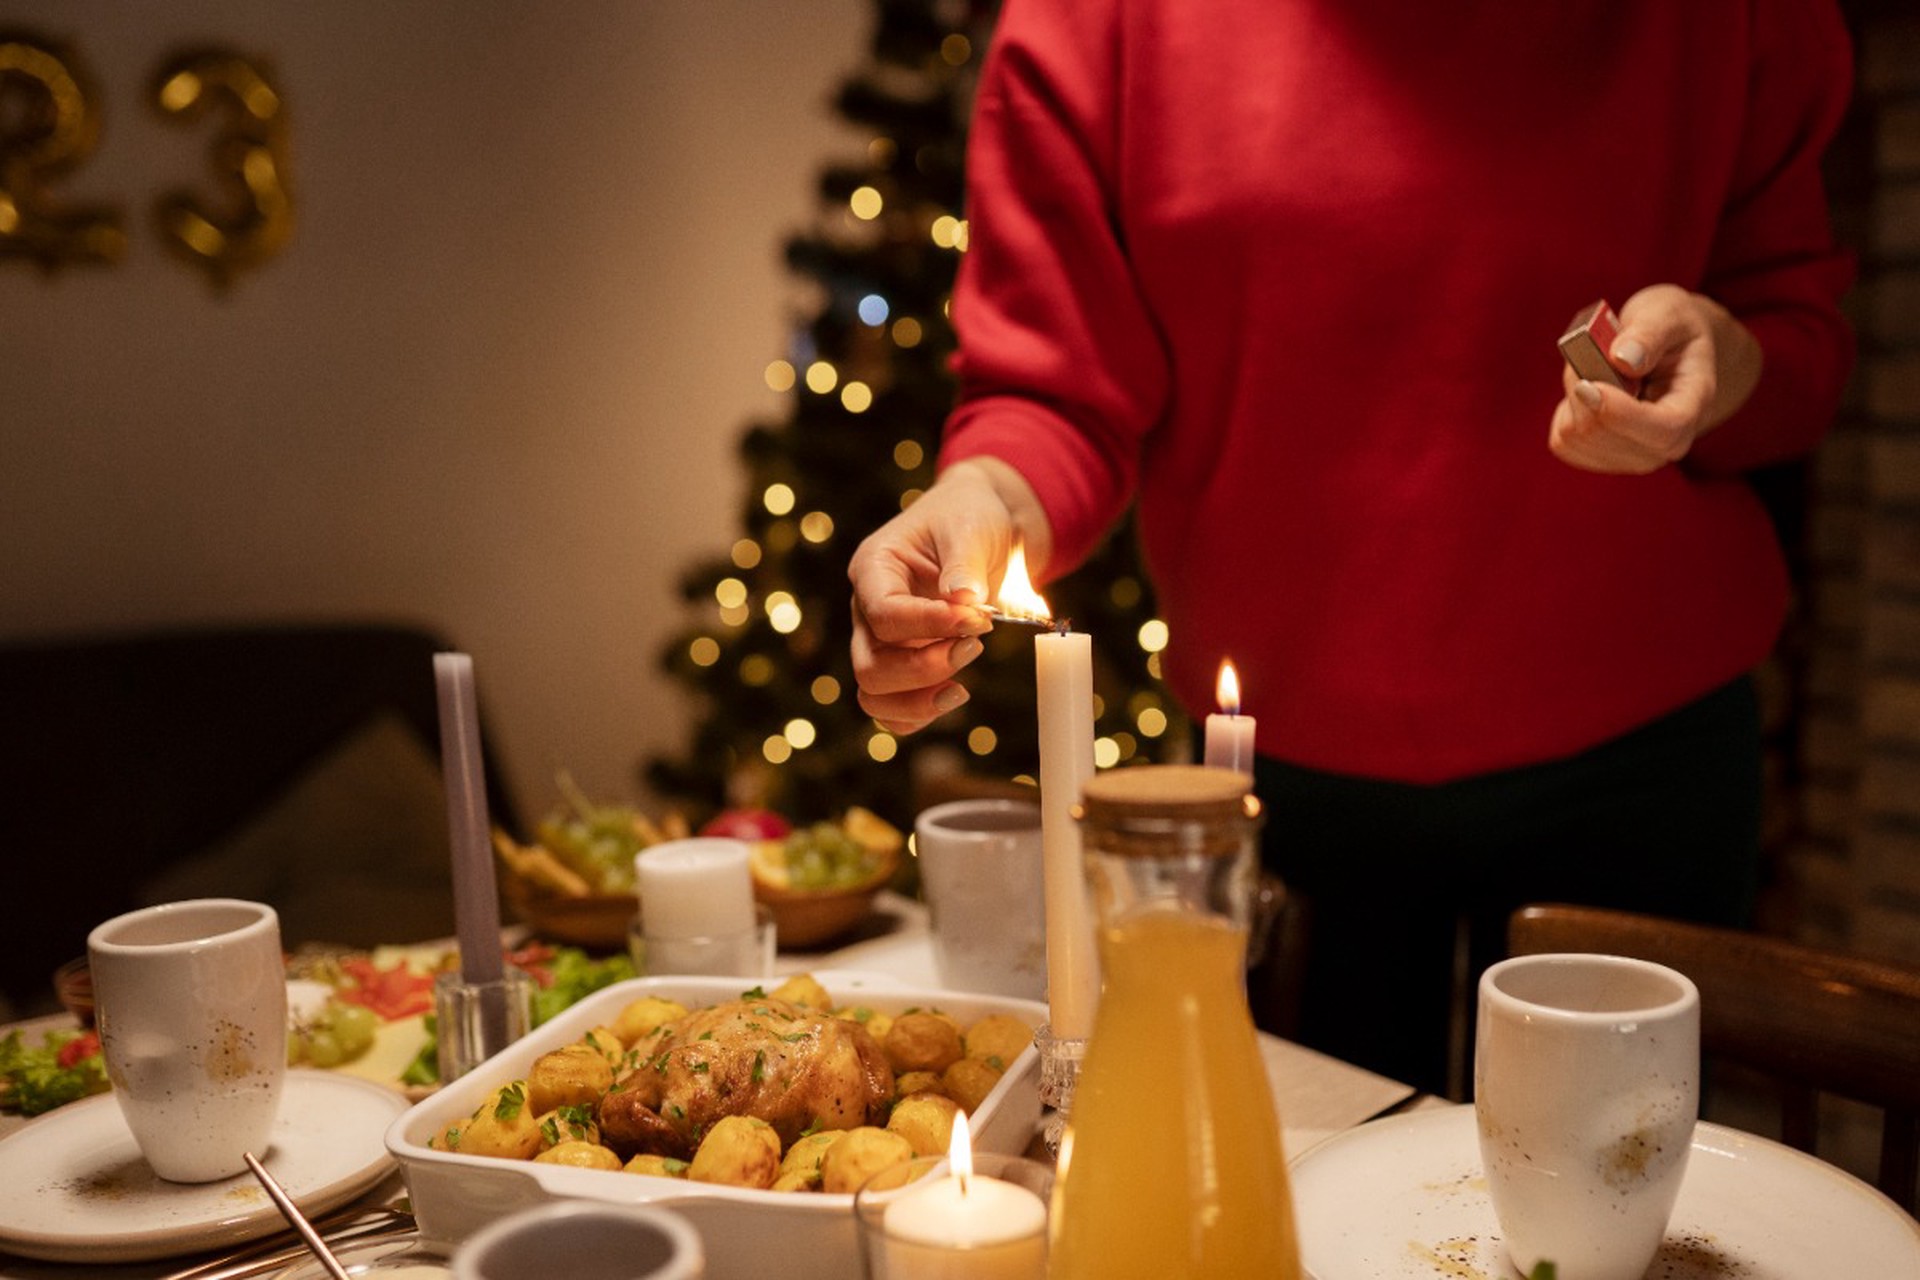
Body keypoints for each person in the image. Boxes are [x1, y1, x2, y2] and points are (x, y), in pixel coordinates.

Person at [847, 1, 1855, 1095]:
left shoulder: (1734, 23)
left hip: (1643, 778)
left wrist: (1729, 360)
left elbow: (1797, 342)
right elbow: (1054, 389)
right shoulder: (1100, 22)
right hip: (1279, 798)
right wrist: (983, 494)